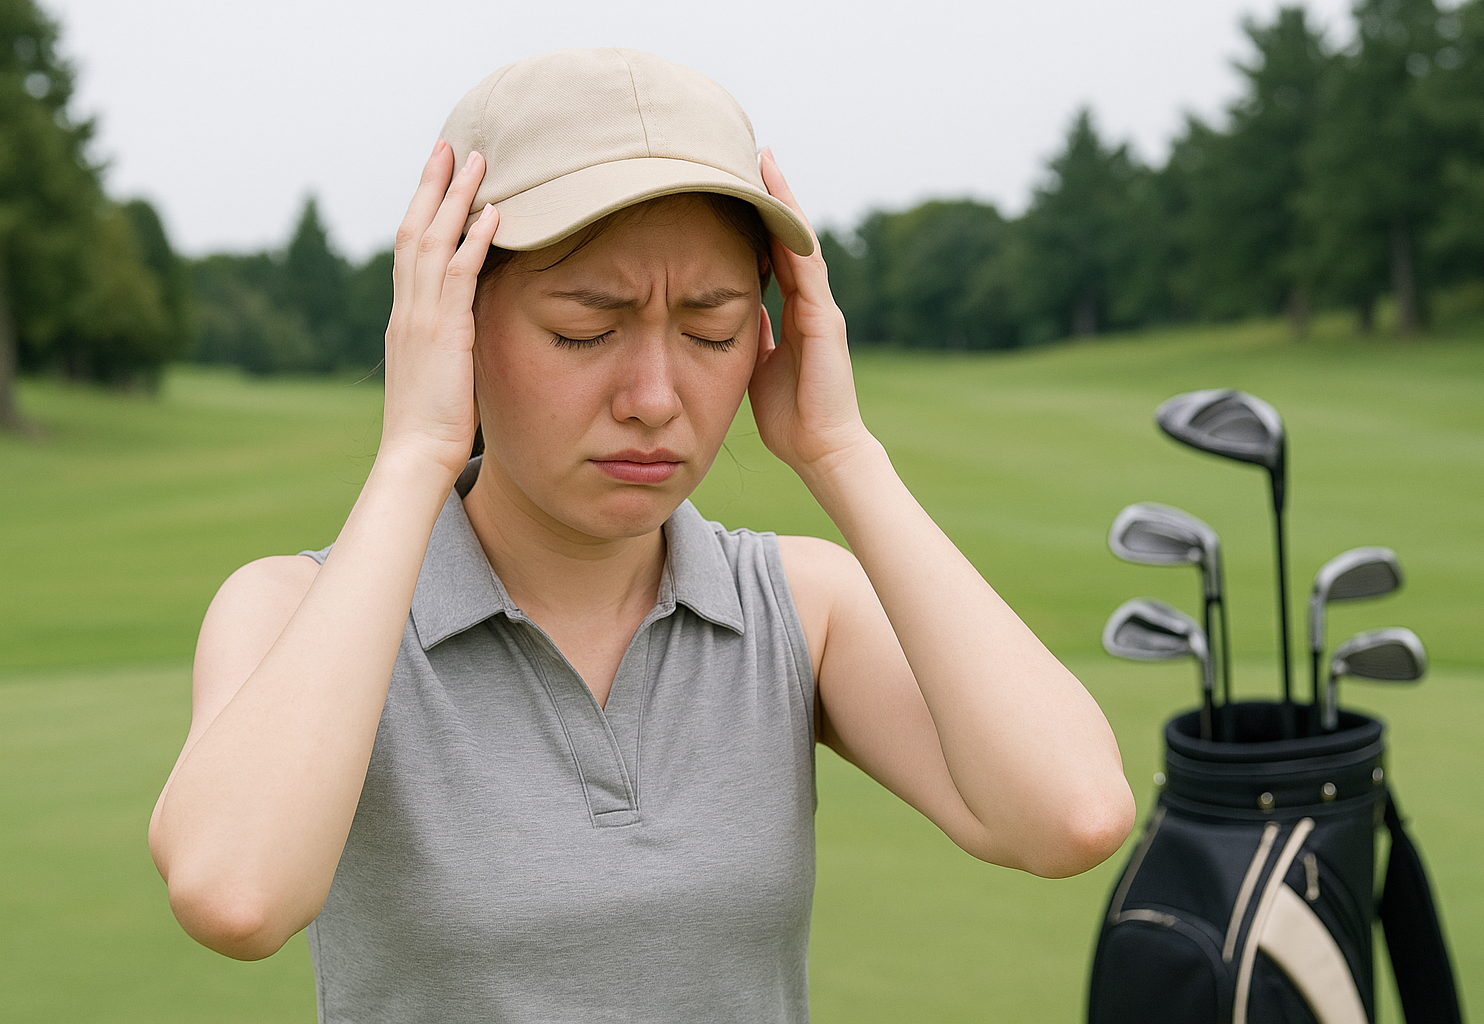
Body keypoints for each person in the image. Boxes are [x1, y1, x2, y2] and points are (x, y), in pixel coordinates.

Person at [148, 47, 1135, 1023]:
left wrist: (842, 453)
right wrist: (414, 452)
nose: (656, 399)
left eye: (712, 330)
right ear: (454, 316)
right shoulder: (290, 610)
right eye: (586, 330)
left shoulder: (801, 607)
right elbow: (238, 893)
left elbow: (1072, 815)